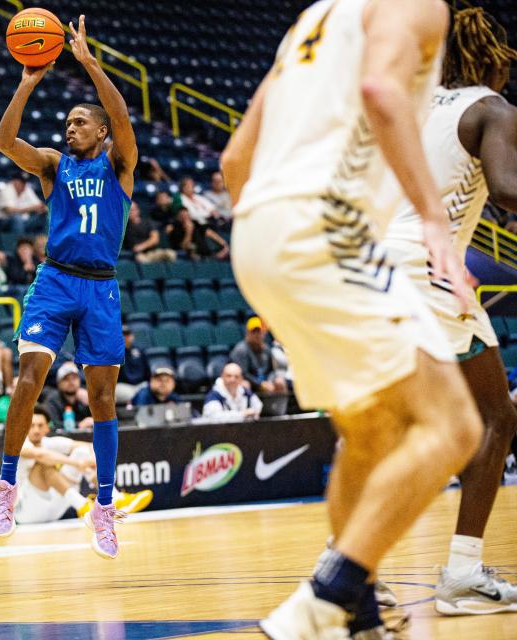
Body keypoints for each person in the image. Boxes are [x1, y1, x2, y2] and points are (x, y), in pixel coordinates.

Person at [221, 0, 482, 637]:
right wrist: (431, 220)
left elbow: (234, 160)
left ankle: (356, 616)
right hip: (326, 225)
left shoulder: (315, 17)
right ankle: (320, 603)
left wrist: (276, 244)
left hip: (258, 234)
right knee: (452, 426)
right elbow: (380, 90)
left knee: (371, 435)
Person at [381, 6, 517, 616]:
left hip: (376, 267)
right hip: (428, 273)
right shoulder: (492, 109)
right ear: (493, 59)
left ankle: (346, 566)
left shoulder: (418, 107)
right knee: (494, 418)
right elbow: (508, 191)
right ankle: (461, 576)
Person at [0, 16, 138, 561]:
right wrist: (28, 82)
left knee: (102, 400)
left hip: (100, 288)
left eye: (78, 123)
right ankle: (5, 488)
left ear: (98, 131)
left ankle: (102, 508)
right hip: (54, 279)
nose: (69, 128)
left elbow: (120, 114)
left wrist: (89, 64)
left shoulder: (120, 163)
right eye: (67, 122)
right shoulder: (54, 165)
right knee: (30, 377)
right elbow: (5, 141)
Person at [14, 405, 152, 525]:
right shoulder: (21, 443)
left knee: (81, 452)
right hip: (26, 511)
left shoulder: (50, 441)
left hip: (54, 508)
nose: (36, 430)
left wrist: (90, 460)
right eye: (31, 425)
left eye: (40, 425)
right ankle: (84, 507)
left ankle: (114, 498)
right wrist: (77, 464)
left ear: (47, 428)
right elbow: (41, 455)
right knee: (43, 464)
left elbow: (91, 446)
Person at [229, 317, 287, 395]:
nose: (257, 335)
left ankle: (279, 407)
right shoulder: (241, 350)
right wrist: (260, 384)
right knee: (244, 384)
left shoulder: (266, 349)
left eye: (260, 332)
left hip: (265, 381)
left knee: (280, 381)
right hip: (251, 383)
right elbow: (243, 374)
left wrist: (269, 381)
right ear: (247, 333)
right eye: (254, 332)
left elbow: (272, 370)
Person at [43, 361, 94, 431]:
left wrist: (91, 404)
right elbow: (52, 424)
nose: (71, 382)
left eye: (74, 378)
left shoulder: (85, 398)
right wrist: (79, 425)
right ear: (59, 383)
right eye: (66, 379)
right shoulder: (52, 400)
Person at [115, 326, 149, 405]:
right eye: (122, 335)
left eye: (127, 334)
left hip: (141, 384)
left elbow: (147, 371)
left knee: (147, 391)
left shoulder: (140, 351)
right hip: (122, 386)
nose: (125, 337)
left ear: (132, 336)